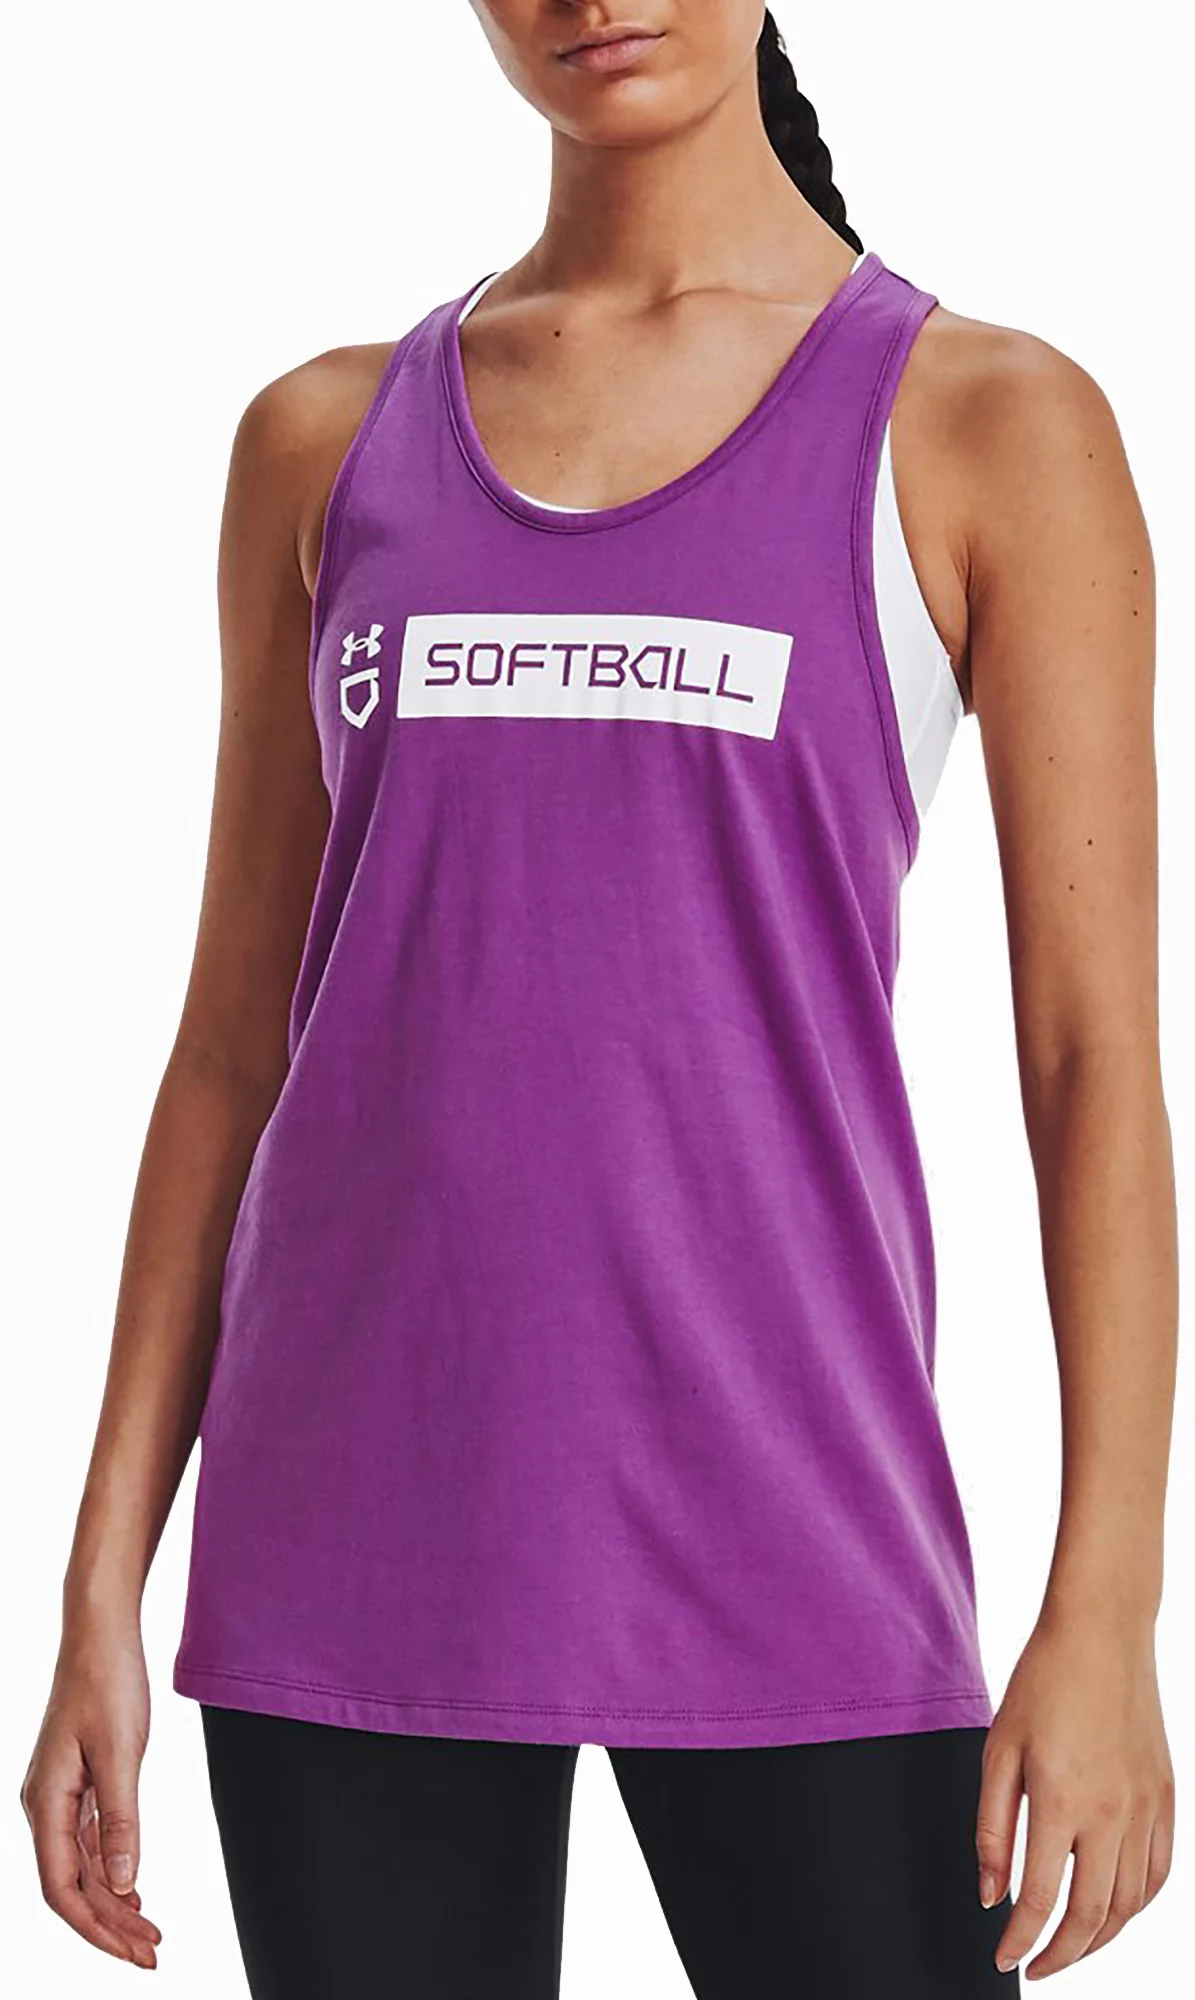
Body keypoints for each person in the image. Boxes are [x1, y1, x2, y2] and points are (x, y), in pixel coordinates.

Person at [21, 4, 1177, 1994]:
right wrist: (97, 1590)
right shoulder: (324, 437)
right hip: (345, 1548)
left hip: (798, 1529)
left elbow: (1093, 1066)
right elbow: (228, 1049)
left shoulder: (986, 421)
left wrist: (1110, 1608)